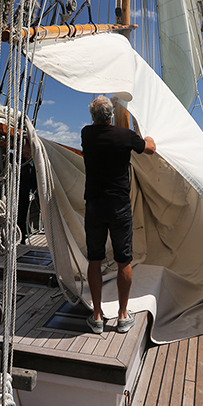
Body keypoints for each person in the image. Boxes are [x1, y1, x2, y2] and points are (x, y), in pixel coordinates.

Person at [81, 95, 156, 334]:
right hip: (120, 207)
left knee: (95, 258)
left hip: (94, 206)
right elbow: (150, 149)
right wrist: (148, 135)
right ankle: (123, 317)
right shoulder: (126, 137)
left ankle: (97, 315)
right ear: (112, 116)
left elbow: (99, 127)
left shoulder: (86, 135)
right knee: (124, 259)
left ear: (92, 117)